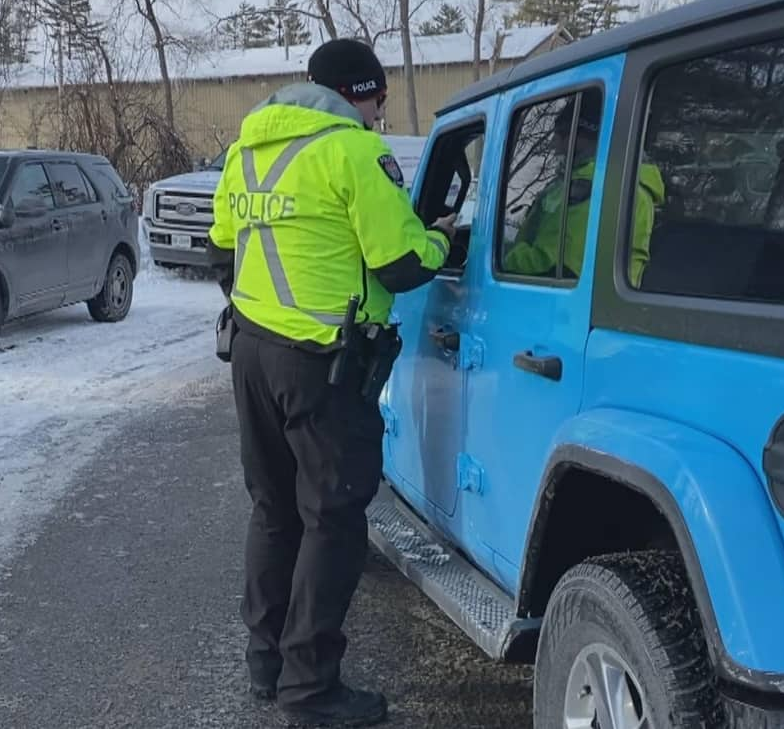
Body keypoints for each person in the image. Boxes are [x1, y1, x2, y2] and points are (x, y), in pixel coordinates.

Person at [207, 38, 456, 727]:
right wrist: (443, 238)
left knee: (274, 508)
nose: (378, 116)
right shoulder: (351, 151)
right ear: (358, 92)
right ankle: (311, 686)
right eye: (376, 100)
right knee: (333, 516)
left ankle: (268, 661)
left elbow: (220, 251)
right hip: (323, 362)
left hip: (253, 352)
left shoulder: (249, 150)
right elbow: (402, 262)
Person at [502, 95, 665, 287]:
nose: (553, 145)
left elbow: (553, 265)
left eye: (559, 135)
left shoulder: (591, 188)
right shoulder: (620, 185)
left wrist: (496, 254)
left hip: (564, 310)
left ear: (577, 136)